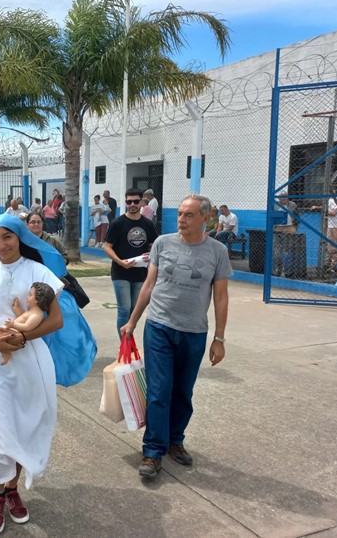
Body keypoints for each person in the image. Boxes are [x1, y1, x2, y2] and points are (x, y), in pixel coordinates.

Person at [0, 214, 65, 534]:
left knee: (24, 427)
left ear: (20, 237)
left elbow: (55, 320)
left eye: (8, 237)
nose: (2, 245)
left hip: (32, 362)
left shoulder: (37, 272)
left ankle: (12, 490)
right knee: (4, 432)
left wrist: (22, 337)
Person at [120, 194, 231, 479]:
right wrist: (132, 321)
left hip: (194, 332)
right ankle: (153, 451)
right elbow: (149, 285)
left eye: (189, 215)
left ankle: (175, 440)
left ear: (205, 218)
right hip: (159, 326)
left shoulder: (217, 251)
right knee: (159, 390)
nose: (181, 219)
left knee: (183, 391)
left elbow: (220, 296)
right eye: (180, 214)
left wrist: (219, 338)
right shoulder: (162, 243)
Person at [103, 189, 157, 339]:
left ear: (141, 202)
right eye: (129, 201)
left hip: (140, 274)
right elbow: (107, 246)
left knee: (134, 310)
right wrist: (120, 262)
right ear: (125, 202)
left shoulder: (147, 224)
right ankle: (125, 346)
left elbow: (154, 245)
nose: (132, 204)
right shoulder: (118, 223)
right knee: (124, 310)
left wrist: (151, 253)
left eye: (135, 201)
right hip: (121, 273)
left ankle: (128, 341)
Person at [0, 282, 56, 366]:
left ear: (37, 300)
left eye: (30, 295)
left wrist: (13, 324)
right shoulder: (32, 310)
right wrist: (17, 308)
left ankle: (6, 353)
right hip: (15, 330)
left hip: (17, 333)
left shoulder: (37, 314)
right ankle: (4, 351)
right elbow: (23, 317)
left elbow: (27, 326)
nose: (27, 297)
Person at [312, 188, 337, 273]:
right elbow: (327, 208)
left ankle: (334, 266)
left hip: (335, 227)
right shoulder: (330, 199)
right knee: (328, 246)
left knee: (333, 247)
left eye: (333, 189)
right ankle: (327, 265)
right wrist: (317, 207)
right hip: (330, 226)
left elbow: (333, 213)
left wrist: (322, 210)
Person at [273, 192, 299, 277]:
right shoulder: (275, 205)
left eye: (286, 197)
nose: (285, 199)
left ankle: (287, 269)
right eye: (282, 198)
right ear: (279, 199)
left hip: (289, 226)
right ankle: (278, 268)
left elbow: (297, 215)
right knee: (277, 251)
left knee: (288, 249)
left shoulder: (292, 205)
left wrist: (295, 226)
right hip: (278, 227)